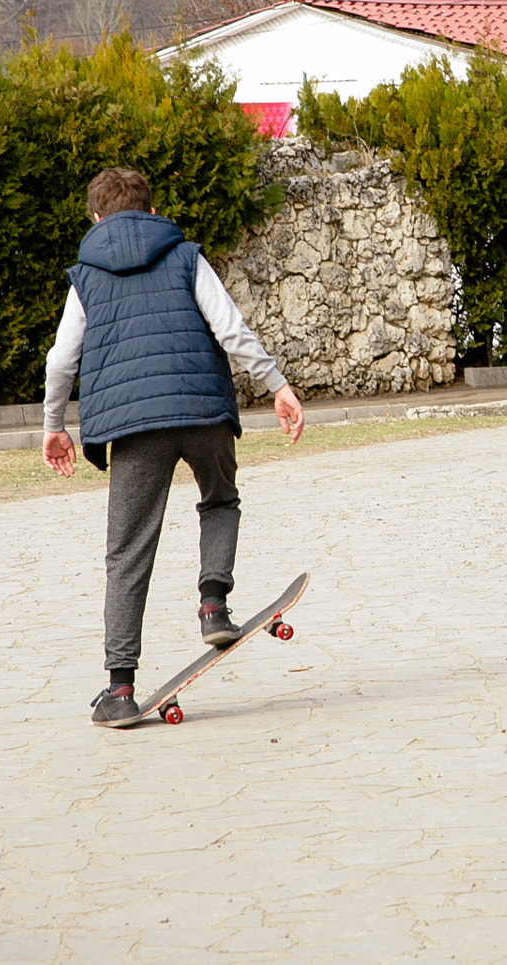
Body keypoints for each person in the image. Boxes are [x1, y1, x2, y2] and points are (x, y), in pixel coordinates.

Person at [40, 166, 304, 728]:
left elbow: (61, 359)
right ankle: (214, 604)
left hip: (135, 426)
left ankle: (119, 688)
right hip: (201, 407)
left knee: (128, 551)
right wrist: (277, 386)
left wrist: (53, 423)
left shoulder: (85, 275)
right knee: (220, 498)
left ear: (95, 218)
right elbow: (230, 329)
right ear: (153, 211)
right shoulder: (185, 256)